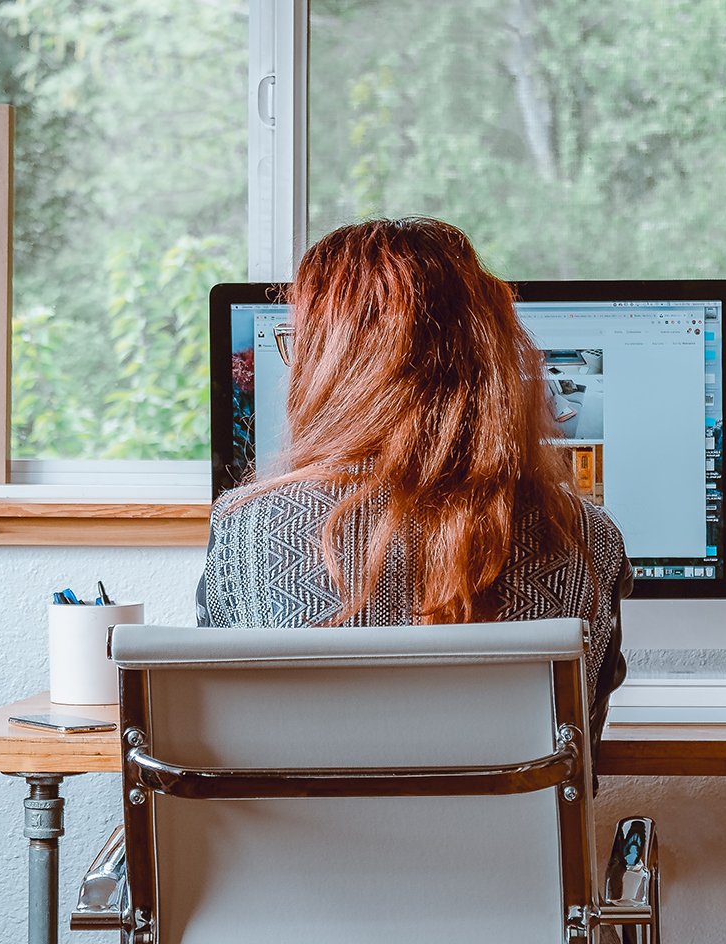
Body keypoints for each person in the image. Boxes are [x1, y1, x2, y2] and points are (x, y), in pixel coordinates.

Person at [196, 215, 633, 750]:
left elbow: (226, 729)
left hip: (308, 831)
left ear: (333, 363)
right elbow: (578, 752)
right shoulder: (586, 536)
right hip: (507, 836)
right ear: (492, 357)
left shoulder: (249, 526)